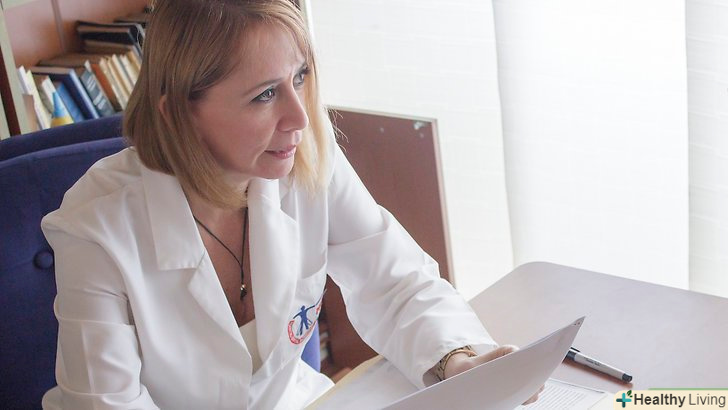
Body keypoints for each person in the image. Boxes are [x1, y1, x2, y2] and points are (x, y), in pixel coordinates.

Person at [40, 0, 542, 408]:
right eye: (264, 95)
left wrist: (458, 360)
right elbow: (108, 404)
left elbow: (395, 281)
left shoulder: (305, 157)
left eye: (299, 77)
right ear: (178, 113)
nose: (300, 117)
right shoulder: (96, 228)